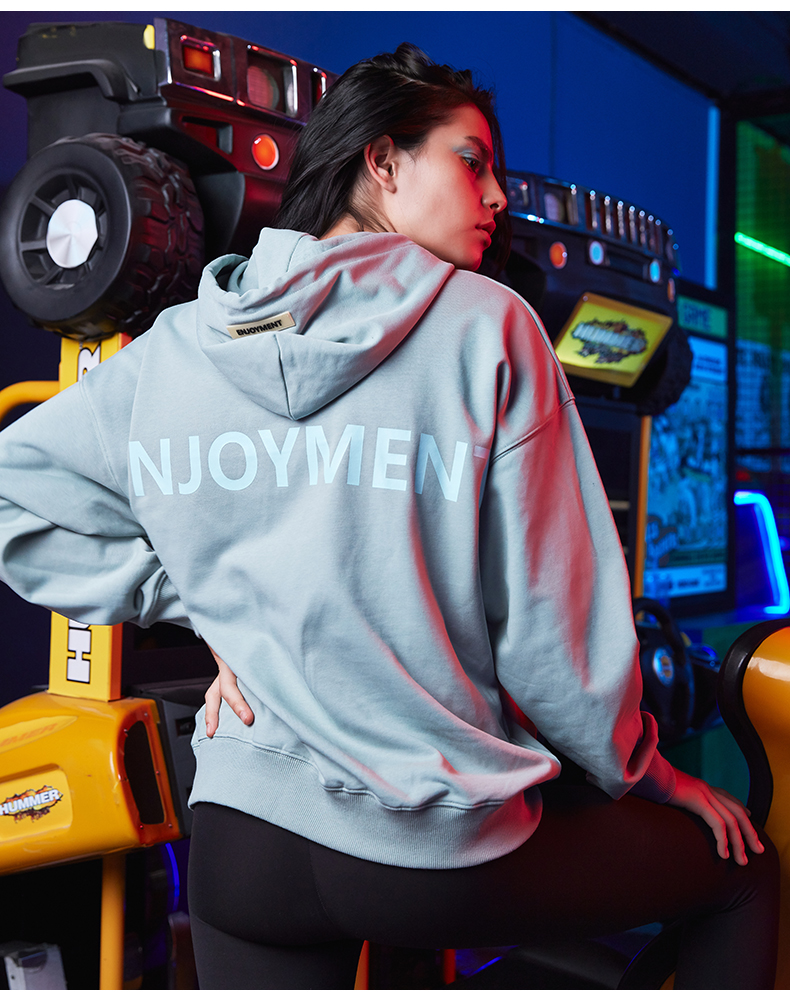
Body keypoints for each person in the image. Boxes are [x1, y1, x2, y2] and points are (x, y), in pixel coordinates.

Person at [0, 44, 778, 989]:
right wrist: (651, 773)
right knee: (742, 879)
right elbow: (553, 637)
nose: (497, 196)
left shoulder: (177, 348)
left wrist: (206, 607)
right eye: (472, 161)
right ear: (383, 161)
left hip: (242, 846)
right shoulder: (490, 327)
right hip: (426, 846)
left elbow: (14, 498)